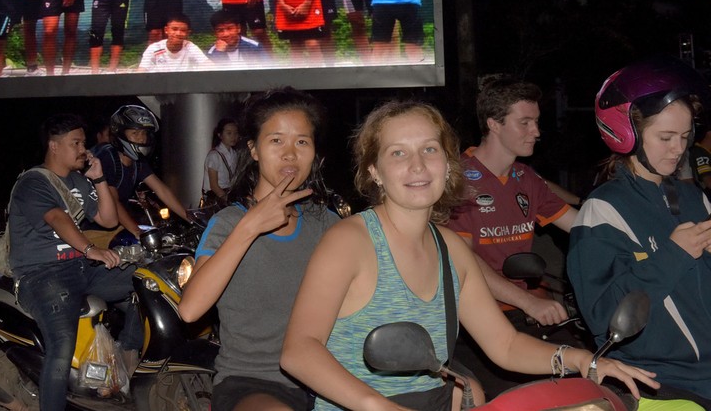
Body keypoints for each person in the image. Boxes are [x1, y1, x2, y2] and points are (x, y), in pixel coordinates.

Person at [280, 100, 658, 411]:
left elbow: (505, 345)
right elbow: (298, 351)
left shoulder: (451, 247)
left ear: (447, 165)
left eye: (430, 149)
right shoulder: (350, 240)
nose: (417, 165)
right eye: (398, 153)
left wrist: (581, 360)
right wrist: (378, 406)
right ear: (375, 171)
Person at [178, 87, 340, 411]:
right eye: (276, 140)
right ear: (253, 149)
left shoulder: (327, 223)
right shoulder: (229, 223)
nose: (290, 154)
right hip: (255, 382)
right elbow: (190, 309)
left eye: (302, 141)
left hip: (330, 373)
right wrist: (250, 226)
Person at [568, 57, 711, 407]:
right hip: (663, 385)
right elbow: (603, 316)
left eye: (684, 136)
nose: (678, 149)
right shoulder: (603, 211)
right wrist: (673, 255)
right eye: (665, 137)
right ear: (627, 133)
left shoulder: (695, 198)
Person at [446, 76, 581, 394]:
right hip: (479, 320)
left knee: (586, 382)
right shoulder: (458, 180)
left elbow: (583, 226)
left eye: (536, 122)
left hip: (532, 314)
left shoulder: (526, 177)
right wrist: (528, 303)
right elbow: (463, 261)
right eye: (525, 122)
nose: (536, 131)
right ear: (494, 123)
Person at [8, 113, 141, 411]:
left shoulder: (79, 181)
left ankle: (124, 362)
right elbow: (58, 218)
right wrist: (89, 248)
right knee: (61, 345)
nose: (84, 149)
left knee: (144, 283)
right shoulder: (34, 181)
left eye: (83, 142)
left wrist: (100, 178)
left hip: (79, 269)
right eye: (76, 143)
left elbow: (108, 219)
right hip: (42, 275)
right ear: (54, 147)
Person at [87, 104, 189, 244]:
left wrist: (191, 218)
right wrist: (137, 231)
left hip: (117, 227)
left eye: (144, 133)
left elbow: (162, 190)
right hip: (95, 231)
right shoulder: (107, 158)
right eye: (135, 133)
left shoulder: (137, 162)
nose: (141, 139)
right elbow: (113, 201)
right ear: (120, 133)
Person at [137, 13, 209, 72]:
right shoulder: (154, 48)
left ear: (188, 33)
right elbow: (141, 71)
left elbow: (209, 66)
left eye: (183, 30)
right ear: (166, 30)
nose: (178, 33)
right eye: (174, 29)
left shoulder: (191, 47)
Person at [206, 8, 270, 67]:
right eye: (220, 30)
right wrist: (219, 53)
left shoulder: (254, 47)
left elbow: (268, 69)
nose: (226, 34)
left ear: (238, 28)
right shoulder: (212, 52)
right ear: (215, 33)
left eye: (229, 28)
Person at [202, 117, 239, 207]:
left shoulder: (234, 154)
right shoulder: (214, 155)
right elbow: (214, 186)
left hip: (227, 193)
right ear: (220, 135)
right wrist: (227, 200)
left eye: (236, 133)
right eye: (229, 133)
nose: (233, 137)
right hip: (217, 196)